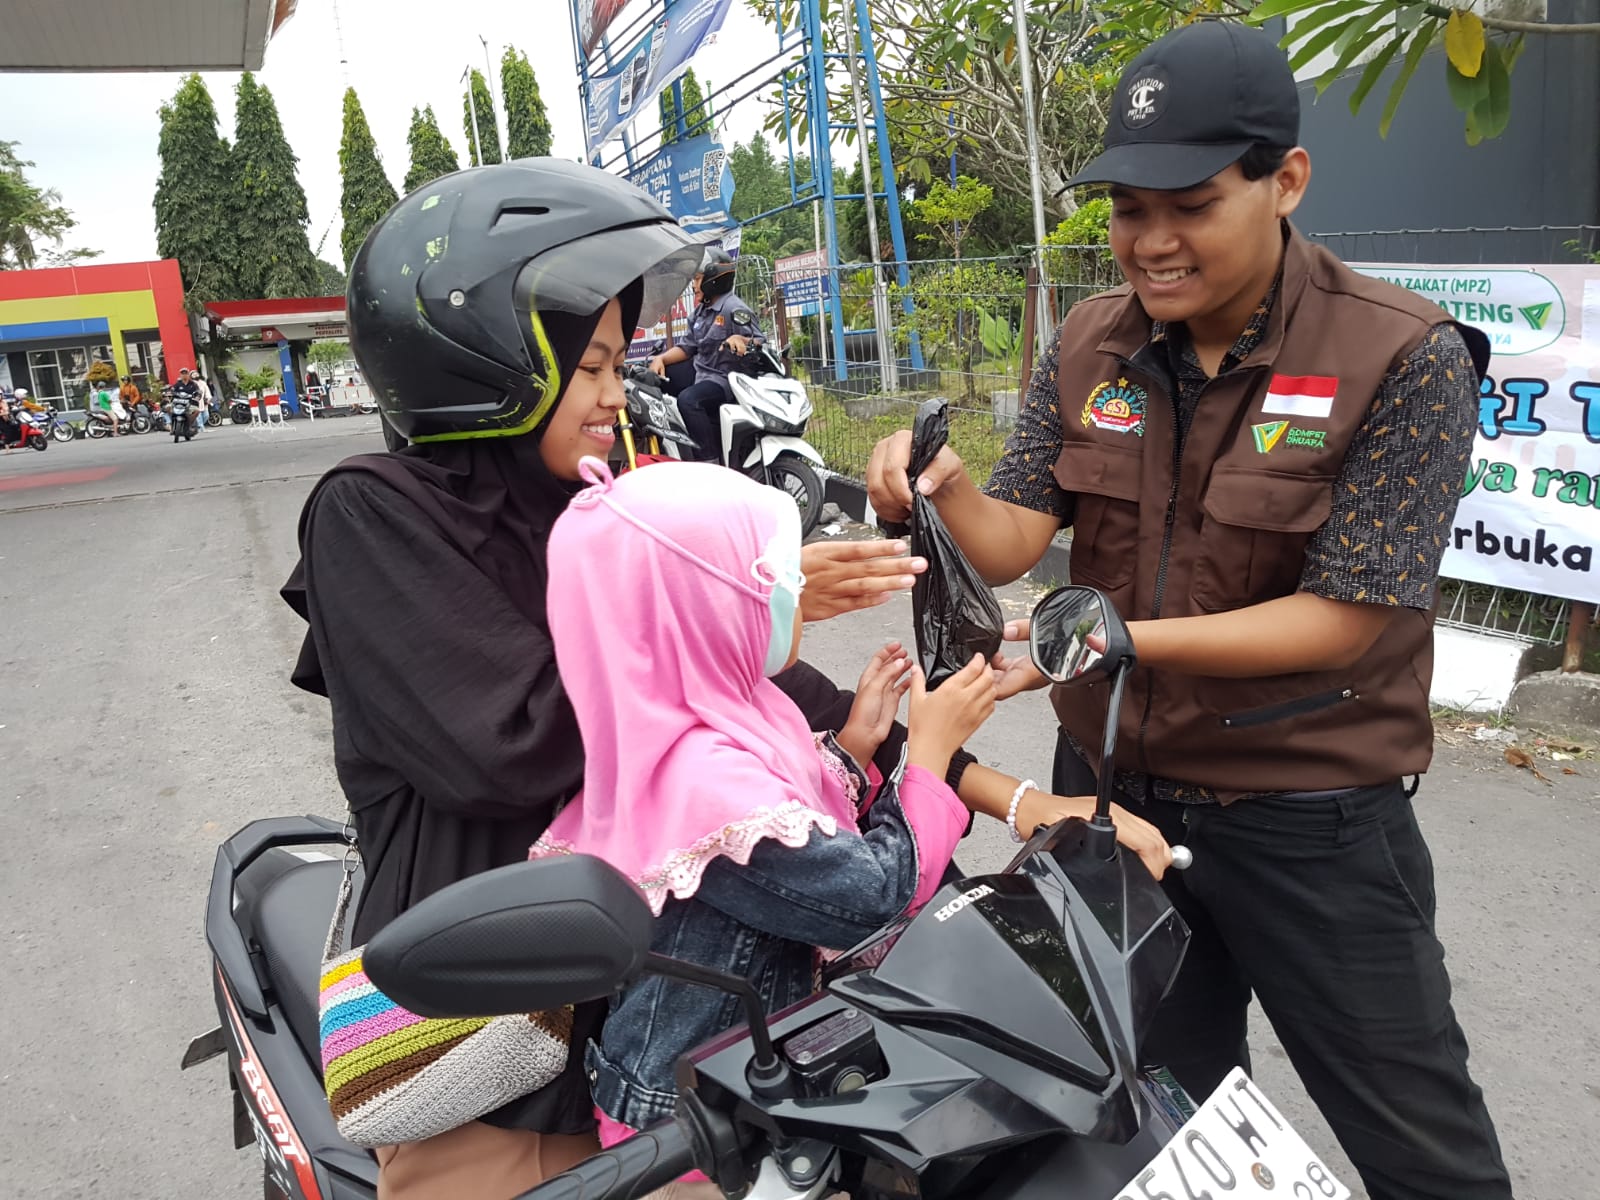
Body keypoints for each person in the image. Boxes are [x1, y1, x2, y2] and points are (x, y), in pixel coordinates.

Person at [280, 159, 1168, 1200]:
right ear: (489, 360)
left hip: (693, 1050)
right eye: (591, 365)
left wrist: (1017, 798)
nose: (617, 393)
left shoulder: (601, 507)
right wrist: (728, 617)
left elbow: (776, 705)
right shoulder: (375, 514)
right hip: (496, 1073)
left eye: (618, 363)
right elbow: (504, 747)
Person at [866, 21, 1510, 1200]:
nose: (1151, 242)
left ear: (1286, 181)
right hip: (1110, 806)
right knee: (1156, 1127)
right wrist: (941, 487)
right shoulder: (1087, 341)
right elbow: (1015, 536)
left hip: (1310, 816)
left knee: (1422, 1149)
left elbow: (1347, 617)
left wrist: (1109, 638)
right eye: (1127, 209)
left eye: (1191, 205)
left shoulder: (1403, 356)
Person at [528, 459, 992, 1192]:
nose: (793, 593)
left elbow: (785, 844)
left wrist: (852, 749)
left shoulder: (702, 715)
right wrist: (928, 761)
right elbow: (870, 896)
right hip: (700, 1138)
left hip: (733, 1085)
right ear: (700, 605)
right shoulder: (702, 778)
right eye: (775, 575)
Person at [647, 248, 761, 462]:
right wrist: (659, 359)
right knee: (650, 382)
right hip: (702, 373)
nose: (694, 285)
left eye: (698, 279)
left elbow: (759, 342)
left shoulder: (733, 309)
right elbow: (686, 348)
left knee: (689, 401)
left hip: (725, 379)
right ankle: (667, 449)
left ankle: (709, 460)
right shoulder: (700, 313)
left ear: (714, 280)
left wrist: (741, 340)